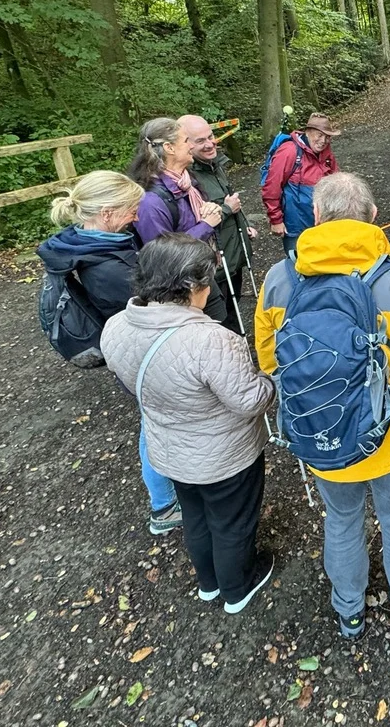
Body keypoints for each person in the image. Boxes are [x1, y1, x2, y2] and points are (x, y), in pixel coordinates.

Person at [255, 172, 390, 639]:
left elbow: (270, 359)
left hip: (321, 430)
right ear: (374, 217)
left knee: (341, 518)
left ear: (315, 217)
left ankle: (349, 610)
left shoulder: (279, 280)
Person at [101, 234, 276, 614]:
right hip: (225, 456)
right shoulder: (210, 339)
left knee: (195, 515)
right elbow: (248, 401)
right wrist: (270, 381)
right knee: (232, 521)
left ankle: (209, 583)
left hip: (171, 449)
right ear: (193, 287)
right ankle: (237, 588)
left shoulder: (115, 326)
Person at [37, 171, 183, 536]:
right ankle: (163, 505)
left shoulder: (89, 243)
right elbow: (145, 309)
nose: (137, 216)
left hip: (125, 344)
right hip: (136, 352)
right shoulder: (104, 268)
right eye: (131, 210)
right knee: (154, 422)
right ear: (106, 213)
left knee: (154, 419)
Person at [126, 117, 229, 324]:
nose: (191, 146)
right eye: (185, 141)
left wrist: (207, 210)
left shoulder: (185, 182)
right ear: (169, 148)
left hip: (201, 276)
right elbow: (162, 254)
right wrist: (206, 225)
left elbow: (189, 222)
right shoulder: (150, 201)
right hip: (178, 294)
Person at [178, 114, 259, 333]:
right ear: (185, 144)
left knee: (233, 308)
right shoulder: (187, 179)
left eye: (210, 136)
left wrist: (244, 226)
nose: (210, 144)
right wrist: (226, 210)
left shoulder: (215, 165)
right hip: (213, 264)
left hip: (233, 254)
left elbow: (230, 201)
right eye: (200, 141)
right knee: (217, 318)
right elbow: (202, 219)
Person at [261, 111, 341, 256]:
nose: (323, 141)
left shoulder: (327, 154)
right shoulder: (289, 151)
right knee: (298, 268)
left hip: (323, 224)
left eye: (327, 137)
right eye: (320, 135)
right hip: (296, 226)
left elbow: (337, 184)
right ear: (308, 132)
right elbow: (271, 187)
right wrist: (276, 220)